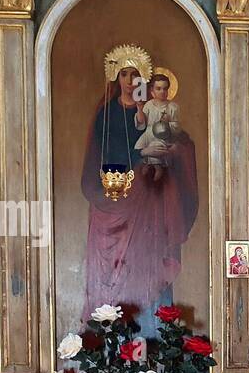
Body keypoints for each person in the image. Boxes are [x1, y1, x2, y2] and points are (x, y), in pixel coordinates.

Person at [81, 53, 198, 317]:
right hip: (112, 199)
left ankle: (154, 331)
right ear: (116, 77)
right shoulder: (106, 113)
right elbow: (96, 158)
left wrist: (169, 152)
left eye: (135, 75)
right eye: (124, 74)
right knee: (111, 274)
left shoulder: (154, 110)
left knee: (149, 266)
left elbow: (179, 142)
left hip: (148, 201)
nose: (130, 81)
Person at [133, 72, 180, 181]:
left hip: (162, 135)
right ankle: (146, 164)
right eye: (158, 89)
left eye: (165, 89)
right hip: (149, 133)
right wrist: (140, 109)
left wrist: (167, 124)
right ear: (152, 91)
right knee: (139, 146)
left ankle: (157, 168)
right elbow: (141, 123)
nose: (162, 92)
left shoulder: (173, 107)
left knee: (156, 146)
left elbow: (176, 126)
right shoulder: (149, 105)